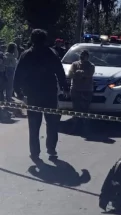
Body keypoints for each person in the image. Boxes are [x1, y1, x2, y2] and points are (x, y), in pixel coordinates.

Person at [14, 29, 69, 164]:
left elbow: (18, 74)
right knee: (52, 123)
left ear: (32, 40)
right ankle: (51, 149)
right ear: (45, 40)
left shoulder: (26, 55)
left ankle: (34, 153)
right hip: (49, 94)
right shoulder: (51, 53)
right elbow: (60, 72)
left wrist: (18, 92)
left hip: (33, 95)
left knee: (34, 125)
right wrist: (65, 88)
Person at [68, 50, 95, 134]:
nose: (82, 57)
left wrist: (80, 73)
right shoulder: (74, 64)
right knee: (76, 109)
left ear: (87, 57)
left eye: (84, 55)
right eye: (81, 55)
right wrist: (77, 73)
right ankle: (74, 128)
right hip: (76, 89)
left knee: (85, 110)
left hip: (87, 90)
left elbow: (89, 74)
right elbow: (70, 74)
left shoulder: (91, 65)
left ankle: (86, 129)